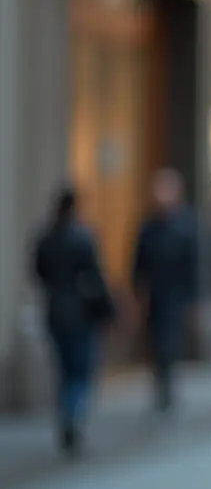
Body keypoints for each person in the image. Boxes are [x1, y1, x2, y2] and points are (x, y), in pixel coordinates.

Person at [31, 186, 115, 454]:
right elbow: (96, 277)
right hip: (79, 315)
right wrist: (108, 311)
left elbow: (38, 273)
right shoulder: (82, 239)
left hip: (55, 313)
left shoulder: (46, 238)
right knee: (80, 371)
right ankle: (72, 417)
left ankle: (66, 417)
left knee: (66, 371)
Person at [131, 168, 199, 411]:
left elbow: (194, 263)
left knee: (170, 340)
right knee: (157, 340)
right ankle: (161, 381)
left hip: (177, 294)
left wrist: (193, 299)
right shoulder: (149, 226)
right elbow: (139, 262)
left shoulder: (186, 225)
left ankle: (168, 382)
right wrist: (138, 293)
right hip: (155, 294)